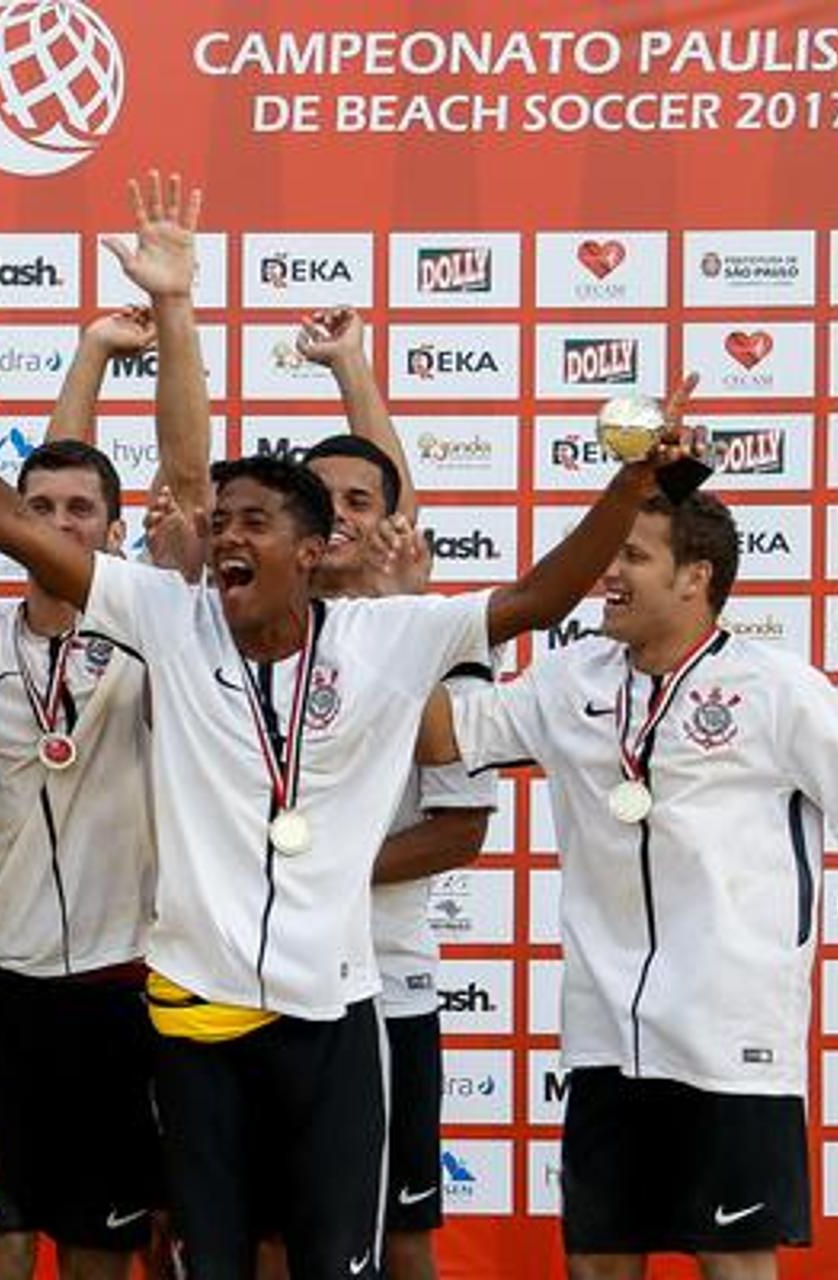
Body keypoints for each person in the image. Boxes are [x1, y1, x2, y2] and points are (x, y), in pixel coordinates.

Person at [0, 247, 700, 1277]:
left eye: (256, 523)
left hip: (333, 1027)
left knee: (336, 1263)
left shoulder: (390, 638)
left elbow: (539, 596)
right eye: (223, 524)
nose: (227, 542)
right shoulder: (170, 617)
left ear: (311, 549)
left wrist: (631, 483)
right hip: (194, 1025)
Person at [422, 489, 838, 1280]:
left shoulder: (779, 687)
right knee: (599, 1263)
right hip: (604, 1032)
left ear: (694, 577)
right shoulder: (570, 679)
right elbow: (440, 737)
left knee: (732, 1264)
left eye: (633, 556)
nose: (609, 572)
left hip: (729, 1033)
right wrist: (391, 621)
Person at [0, 177, 198, 1280]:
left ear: (119, 532)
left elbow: (187, 479)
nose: (61, 525)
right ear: (12, 523)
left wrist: (135, 332)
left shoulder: (156, 626)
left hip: (120, 983)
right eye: (39, 508)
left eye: (85, 512)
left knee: (100, 1242)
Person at [294, 315, 496, 1280]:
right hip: (257, 978)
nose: (339, 517)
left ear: (391, 521)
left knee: (402, 1233)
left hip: (389, 979)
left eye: (360, 501)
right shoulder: (246, 625)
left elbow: (460, 832)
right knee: (261, 1229)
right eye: (319, 499)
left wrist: (351, 371)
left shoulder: (439, 640)